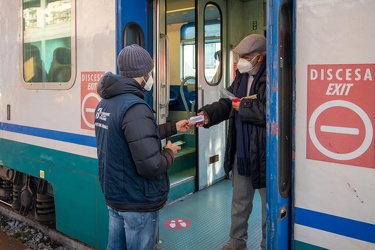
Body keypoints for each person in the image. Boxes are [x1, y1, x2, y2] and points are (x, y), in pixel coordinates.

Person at [94, 44, 191, 250]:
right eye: (150, 71)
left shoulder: (106, 103)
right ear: (144, 73)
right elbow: (151, 166)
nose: (151, 76)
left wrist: (173, 127)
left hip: (116, 195)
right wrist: (169, 152)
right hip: (137, 200)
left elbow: (133, 136)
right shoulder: (135, 107)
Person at [196, 34, 267, 250]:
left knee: (268, 207)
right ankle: (237, 241)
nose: (241, 61)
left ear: (260, 58)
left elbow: (270, 113)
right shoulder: (241, 77)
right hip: (242, 151)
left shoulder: (272, 79)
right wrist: (208, 114)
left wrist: (243, 106)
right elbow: (229, 102)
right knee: (239, 202)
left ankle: (267, 244)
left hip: (264, 154)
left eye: (246, 56)